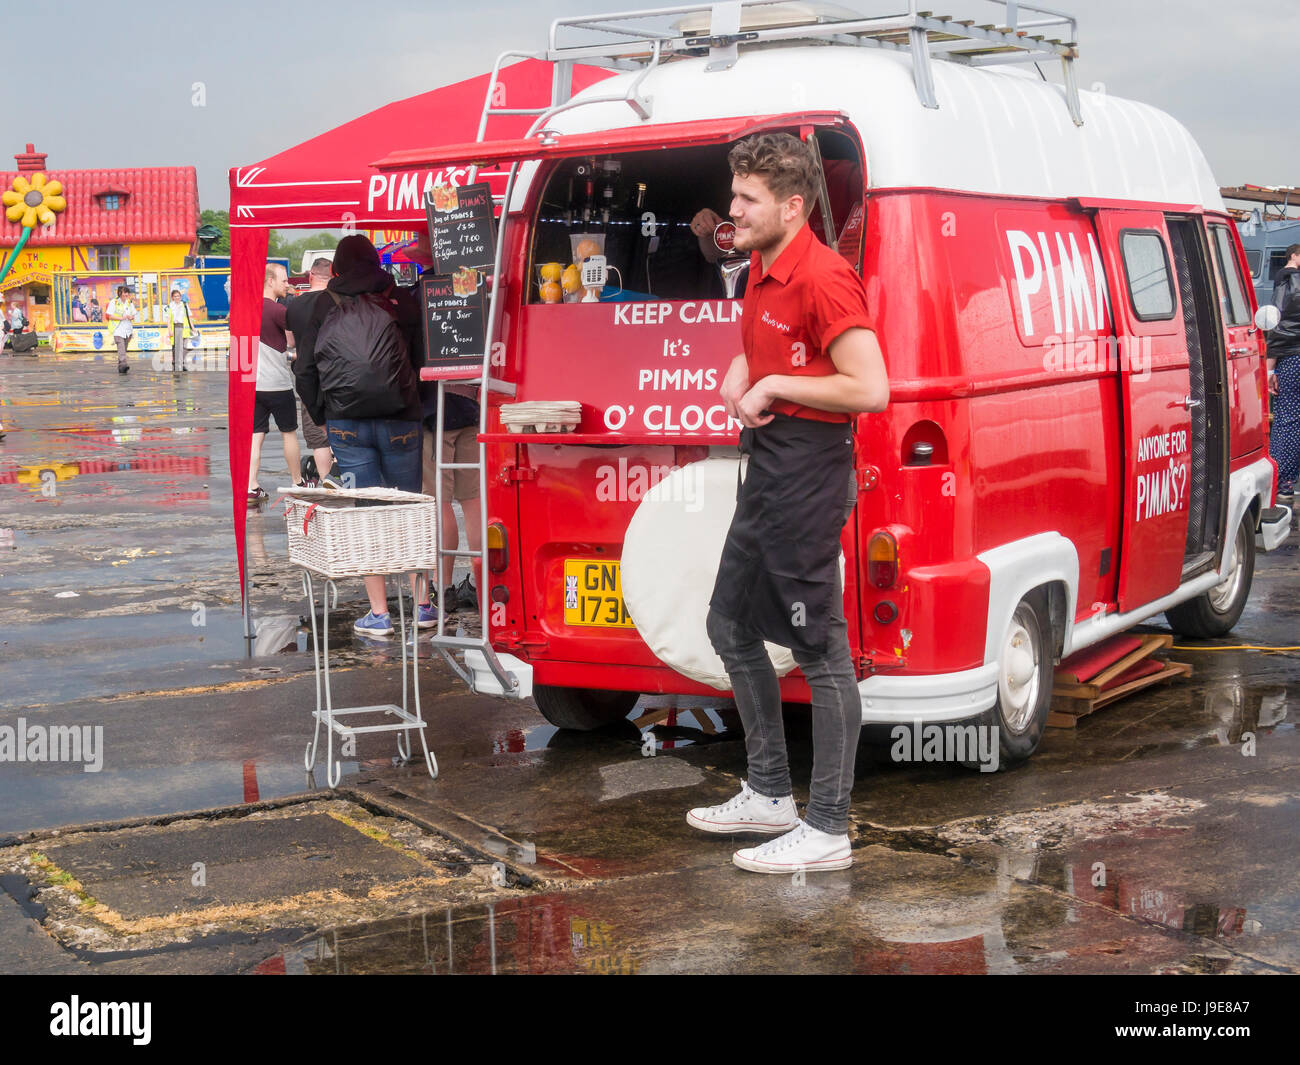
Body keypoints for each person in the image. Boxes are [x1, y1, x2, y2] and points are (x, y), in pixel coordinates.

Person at [685, 133, 889, 874]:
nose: (731, 210)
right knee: (728, 622)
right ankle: (770, 790)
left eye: (746, 199)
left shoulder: (825, 278)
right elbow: (774, 346)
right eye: (733, 194)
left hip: (807, 471)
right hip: (766, 464)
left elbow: (870, 387)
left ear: (793, 207)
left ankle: (828, 825)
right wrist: (743, 372)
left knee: (820, 649)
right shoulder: (762, 267)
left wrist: (775, 388)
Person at [293, 235, 431, 635]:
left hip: (346, 424)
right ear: (376, 263)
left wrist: (321, 417)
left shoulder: (319, 305)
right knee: (408, 509)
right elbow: (423, 359)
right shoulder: (400, 299)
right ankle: (422, 606)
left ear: (335, 269)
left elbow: (304, 371)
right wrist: (411, 403)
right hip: (401, 420)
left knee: (367, 511)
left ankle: (380, 614)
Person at [406, 231, 482, 614]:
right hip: (473, 405)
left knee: (441, 505)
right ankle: (486, 589)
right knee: (474, 503)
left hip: (435, 411)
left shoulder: (422, 294)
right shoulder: (478, 289)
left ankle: (444, 588)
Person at [247, 263, 301, 504]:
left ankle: (251, 485)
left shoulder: (244, 309)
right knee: (288, 433)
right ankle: (297, 482)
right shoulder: (279, 311)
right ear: (270, 281)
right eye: (283, 280)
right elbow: (292, 346)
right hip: (278, 384)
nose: (287, 284)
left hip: (251, 385)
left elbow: (238, 349)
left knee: (255, 437)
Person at [285, 257, 336, 484]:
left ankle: (326, 481)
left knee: (318, 437)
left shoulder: (294, 304)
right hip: (338, 374)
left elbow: (291, 342)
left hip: (308, 377)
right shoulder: (339, 301)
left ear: (310, 276)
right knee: (343, 428)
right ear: (333, 276)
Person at [1267, 243, 1300, 500]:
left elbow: (1275, 323)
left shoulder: (1284, 280)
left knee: (1287, 418)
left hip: (1291, 359)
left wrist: (1269, 369)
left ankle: (1282, 481)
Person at [104, 286, 136, 373]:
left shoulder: (129, 302)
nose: (126, 294)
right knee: (121, 348)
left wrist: (131, 317)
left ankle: (121, 366)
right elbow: (109, 316)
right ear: (119, 293)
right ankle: (124, 365)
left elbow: (133, 314)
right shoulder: (114, 302)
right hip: (118, 329)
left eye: (127, 293)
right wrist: (121, 318)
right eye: (124, 292)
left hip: (128, 330)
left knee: (123, 349)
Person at [164, 288, 194, 371]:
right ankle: (177, 363)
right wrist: (169, 330)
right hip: (175, 327)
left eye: (178, 296)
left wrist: (193, 328)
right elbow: (168, 320)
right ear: (172, 297)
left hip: (185, 328)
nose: (177, 298)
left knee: (184, 347)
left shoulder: (184, 305)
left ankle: (181, 362)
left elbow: (189, 317)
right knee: (176, 347)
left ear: (180, 297)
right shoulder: (170, 306)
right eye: (175, 296)